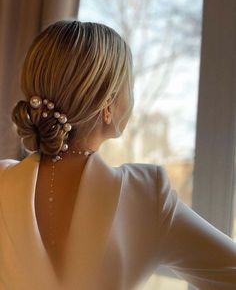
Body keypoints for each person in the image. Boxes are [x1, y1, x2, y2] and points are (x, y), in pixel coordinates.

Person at [0, 20, 235, 290]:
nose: (132, 97)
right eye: (129, 85)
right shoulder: (146, 194)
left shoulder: (3, 182)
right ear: (108, 105)